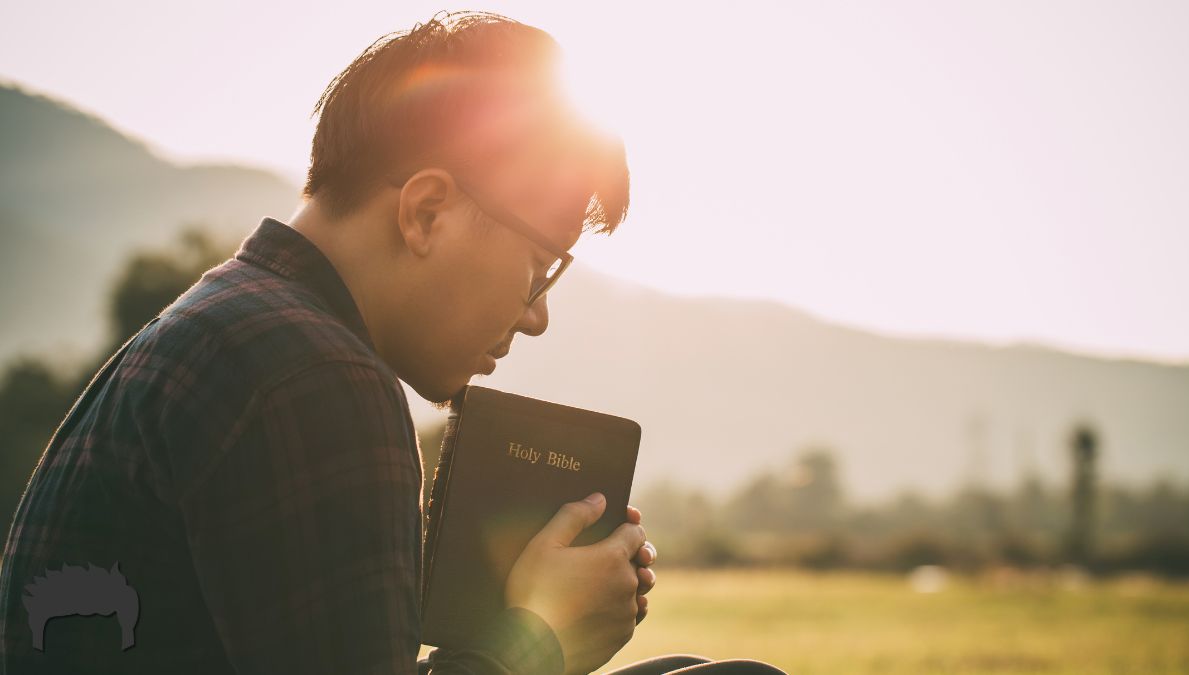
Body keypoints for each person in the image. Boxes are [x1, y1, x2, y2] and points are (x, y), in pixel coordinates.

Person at [0, 10, 784, 675]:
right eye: (539, 270)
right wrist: (538, 636)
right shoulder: (313, 372)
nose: (537, 316)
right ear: (427, 212)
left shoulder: (236, 323)